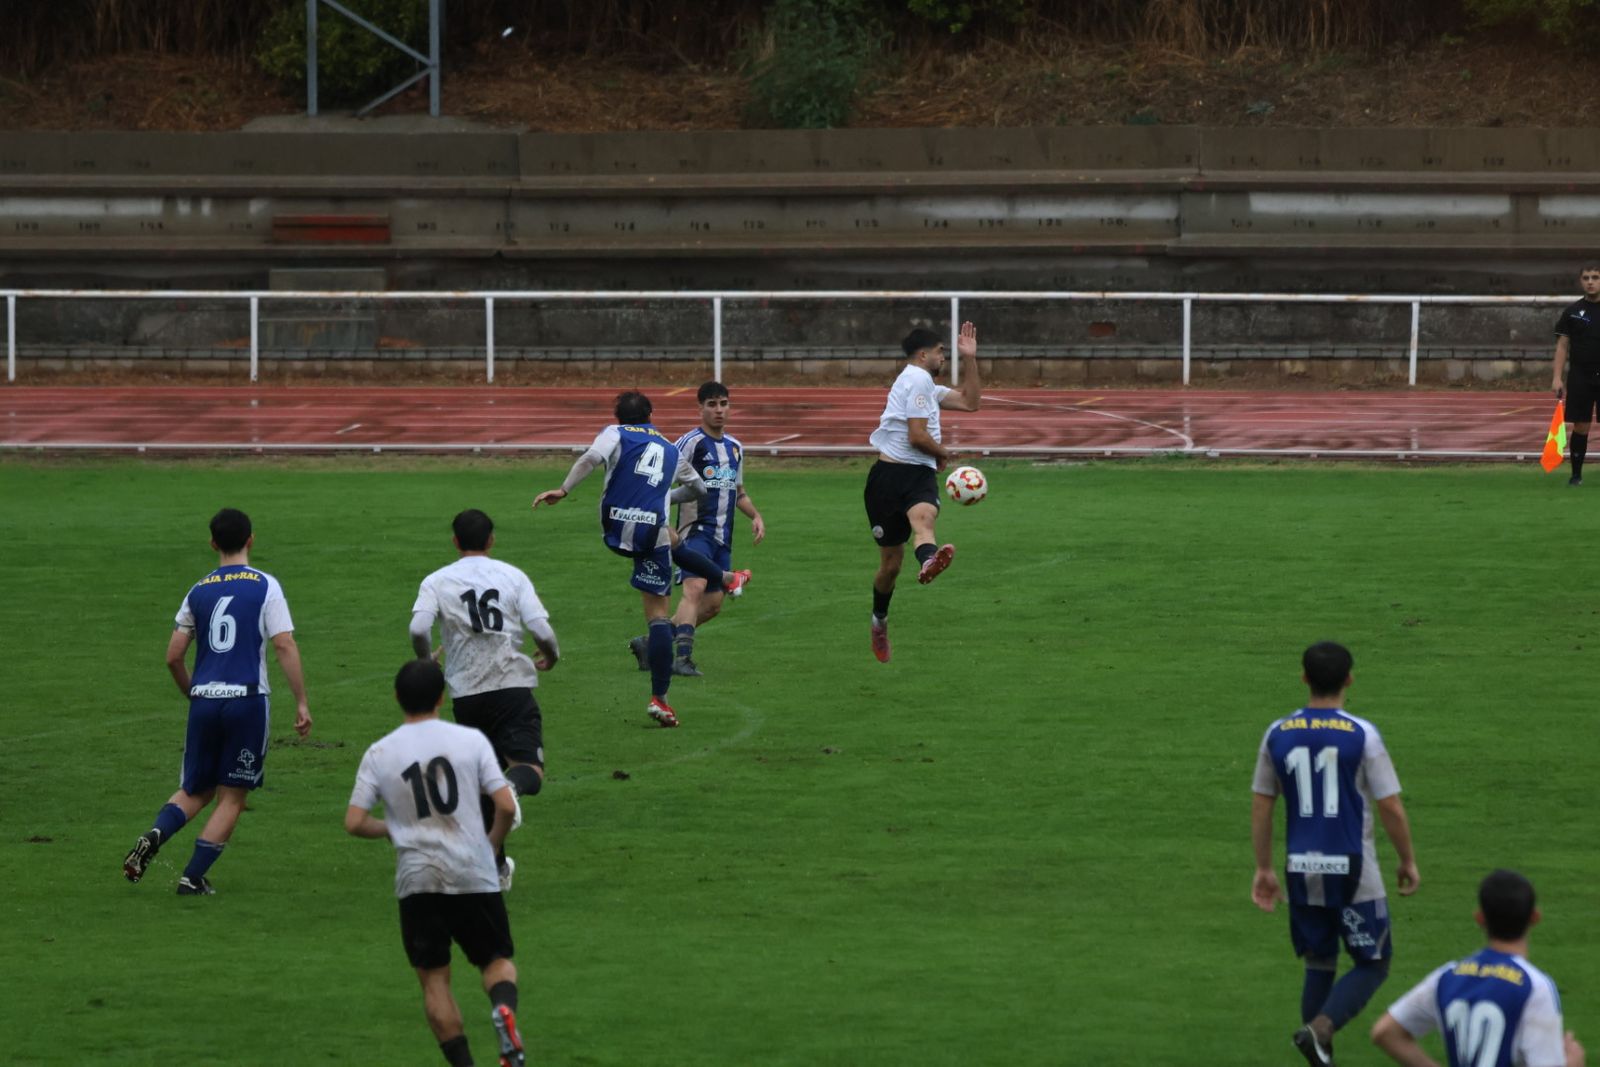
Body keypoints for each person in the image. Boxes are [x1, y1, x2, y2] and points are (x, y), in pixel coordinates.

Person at [121, 507, 312, 895]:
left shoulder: (198, 589)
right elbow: (283, 643)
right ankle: (192, 878)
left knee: (197, 788)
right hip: (246, 700)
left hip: (205, 700)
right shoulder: (265, 585)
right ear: (251, 539)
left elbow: (173, 655)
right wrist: (302, 702)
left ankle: (156, 834)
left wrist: (193, 692)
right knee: (232, 796)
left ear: (212, 544)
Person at [346, 660, 527, 1067]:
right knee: (495, 960)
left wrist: (392, 829)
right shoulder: (471, 742)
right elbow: (504, 803)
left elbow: (354, 821)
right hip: (472, 870)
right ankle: (503, 1010)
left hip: (417, 878)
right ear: (442, 697)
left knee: (433, 978)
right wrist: (492, 842)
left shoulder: (381, 752)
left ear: (397, 698)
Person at [533, 390, 748, 728]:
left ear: (618, 416)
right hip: (652, 534)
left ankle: (728, 579)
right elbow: (699, 491)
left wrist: (563, 490)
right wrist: (665, 498)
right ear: (651, 414)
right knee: (659, 614)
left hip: (615, 526)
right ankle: (660, 699)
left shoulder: (614, 433)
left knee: (673, 540)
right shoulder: (668, 447)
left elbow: (591, 458)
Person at [1251, 641, 1421, 1067]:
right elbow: (1390, 805)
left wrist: (1264, 868)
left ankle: (1317, 1049)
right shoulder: (1362, 734)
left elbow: (1262, 802)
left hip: (1300, 866)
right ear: (1350, 679)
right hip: (1353, 866)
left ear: (1304, 677)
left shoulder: (1277, 733)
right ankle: (1322, 1029)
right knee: (1374, 962)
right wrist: (1407, 860)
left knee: (1319, 961)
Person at [411, 508, 558, 892]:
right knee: (528, 772)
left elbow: (417, 627)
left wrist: (426, 661)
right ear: (491, 540)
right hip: (510, 685)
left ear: (455, 541)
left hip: (466, 694)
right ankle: (513, 790)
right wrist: (551, 655)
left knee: (483, 781)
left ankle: (495, 867)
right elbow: (541, 628)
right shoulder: (511, 575)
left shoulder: (437, 580)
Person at [1372, 869, 1584, 1067]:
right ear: (1535, 917)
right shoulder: (1535, 987)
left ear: (1480, 918)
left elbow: (1385, 1032)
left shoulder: (1446, 977)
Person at [626, 381, 764, 677]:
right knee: (695, 588)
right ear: (700, 408)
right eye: (712, 404)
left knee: (713, 605)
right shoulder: (689, 442)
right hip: (693, 531)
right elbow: (661, 473)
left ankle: (650, 644)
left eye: (723, 404)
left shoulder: (736, 448)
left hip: (722, 537)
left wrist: (755, 516)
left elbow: (738, 491)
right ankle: (682, 658)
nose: (719, 410)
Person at [864, 321, 981, 663]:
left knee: (924, 517)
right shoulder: (915, 378)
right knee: (890, 566)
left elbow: (970, 402)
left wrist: (970, 359)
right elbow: (917, 435)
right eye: (942, 351)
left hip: (917, 475)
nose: (945, 356)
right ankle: (879, 621)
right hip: (888, 478)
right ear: (923, 354)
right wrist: (943, 452)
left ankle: (929, 559)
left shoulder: (926, 384)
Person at [1550, 264, 1600, 486]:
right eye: (1586, 277)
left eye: (1596, 277)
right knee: (1580, 426)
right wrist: (1557, 377)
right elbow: (1562, 346)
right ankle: (1576, 475)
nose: (1591, 281)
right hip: (1580, 375)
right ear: (1581, 281)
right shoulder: (1571, 312)